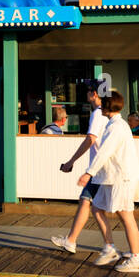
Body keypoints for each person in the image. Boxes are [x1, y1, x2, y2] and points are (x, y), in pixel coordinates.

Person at [77, 93, 139, 273]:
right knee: (97, 208)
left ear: (108, 107)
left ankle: (136, 259)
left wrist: (88, 173)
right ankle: (110, 247)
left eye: (103, 105)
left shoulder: (116, 127)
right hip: (111, 178)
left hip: (121, 178)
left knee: (126, 215)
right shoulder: (116, 125)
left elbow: (104, 152)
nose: (100, 107)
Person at [50, 81, 117, 262]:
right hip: (103, 168)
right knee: (89, 203)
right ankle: (72, 241)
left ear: (94, 94)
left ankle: (125, 246)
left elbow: (90, 139)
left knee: (109, 209)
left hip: (99, 169)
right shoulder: (108, 114)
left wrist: (71, 161)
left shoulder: (97, 114)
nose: (86, 94)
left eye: (88, 91)